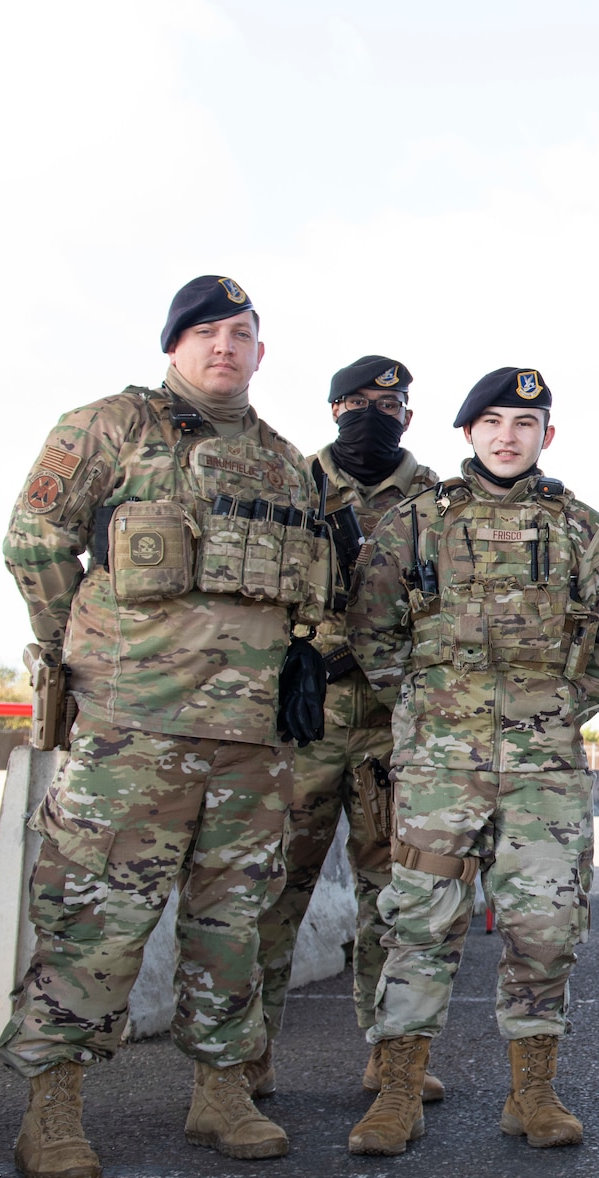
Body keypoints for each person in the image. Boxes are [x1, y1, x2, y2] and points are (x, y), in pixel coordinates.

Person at [1, 275, 321, 1178]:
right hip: (133, 729)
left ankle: (222, 1090)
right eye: (207, 331)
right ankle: (52, 1109)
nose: (225, 346)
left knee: (235, 920)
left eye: (242, 333)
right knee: (93, 917)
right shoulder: (110, 427)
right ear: (173, 344)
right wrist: (84, 653)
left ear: (261, 352)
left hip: (252, 740)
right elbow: (34, 539)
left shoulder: (285, 461)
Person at [344, 367, 599, 1155]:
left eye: (525, 422)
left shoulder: (586, 530)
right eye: (493, 422)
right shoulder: (416, 525)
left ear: (548, 435)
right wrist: (418, 707)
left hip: (543, 769)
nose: (509, 436)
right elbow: (372, 627)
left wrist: (565, 707)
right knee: (420, 923)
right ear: (467, 433)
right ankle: (398, 1092)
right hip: (441, 767)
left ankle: (532, 1093)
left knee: (545, 926)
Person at [249, 356, 442, 1102]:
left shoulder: (432, 497)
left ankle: (391, 1056)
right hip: (307, 717)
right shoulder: (293, 482)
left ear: (408, 415)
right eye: (357, 403)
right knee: (275, 888)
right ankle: (248, 1053)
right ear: (333, 410)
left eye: (386, 403)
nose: (372, 414)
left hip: (393, 722)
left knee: (391, 895)